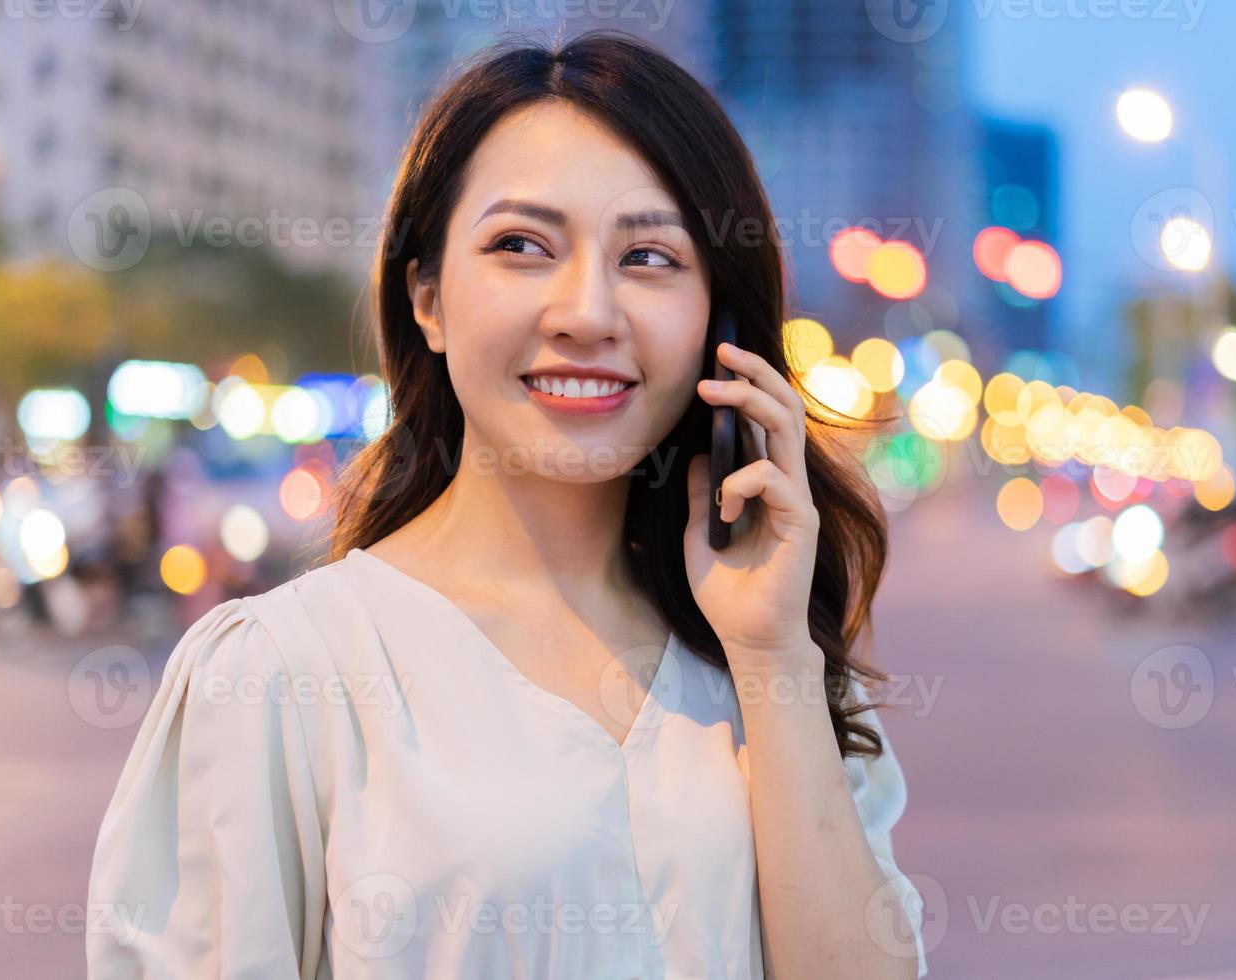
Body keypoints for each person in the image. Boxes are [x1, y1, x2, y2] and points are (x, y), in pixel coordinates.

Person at [86, 30, 929, 980]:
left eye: (649, 257)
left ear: (719, 326)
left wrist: (773, 655)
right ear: (429, 299)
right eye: (522, 246)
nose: (587, 313)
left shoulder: (767, 653)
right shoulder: (287, 672)